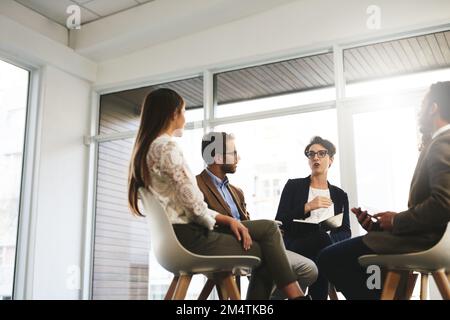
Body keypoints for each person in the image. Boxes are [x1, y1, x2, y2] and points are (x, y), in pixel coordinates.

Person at [127, 88, 306, 300]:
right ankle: (298, 298)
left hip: (173, 239)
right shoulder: (167, 148)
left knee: (268, 228)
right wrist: (224, 221)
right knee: (268, 247)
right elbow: (195, 208)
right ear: (173, 113)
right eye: (183, 112)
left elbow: (188, 203)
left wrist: (227, 220)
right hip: (189, 238)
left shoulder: (145, 151)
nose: (185, 119)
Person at [317, 81, 450, 300]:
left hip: (425, 240)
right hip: (426, 236)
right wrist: (384, 225)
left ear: (433, 108)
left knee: (329, 257)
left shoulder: (442, 142)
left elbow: (443, 204)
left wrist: (396, 222)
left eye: (423, 104)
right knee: (365, 259)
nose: (419, 111)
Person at [196, 132, 318, 298]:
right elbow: (200, 220)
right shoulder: (195, 185)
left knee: (309, 269)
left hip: (247, 243)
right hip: (220, 243)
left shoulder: (236, 192)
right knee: (268, 248)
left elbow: (247, 223)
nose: (238, 158)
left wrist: (273, 233)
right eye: (234, 153)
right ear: (217, 157)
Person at [275, 136, 351, 300]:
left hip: (326, 245)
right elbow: (280, 220)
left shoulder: (339, 195)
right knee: (322, 244)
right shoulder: (293, 186)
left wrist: (331, 238)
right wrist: (307, 207)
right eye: (311, 154)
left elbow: (345, 231)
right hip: (295, 242)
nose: (315, 157)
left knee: (322, 246)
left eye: (321, 153)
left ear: (330, 160)